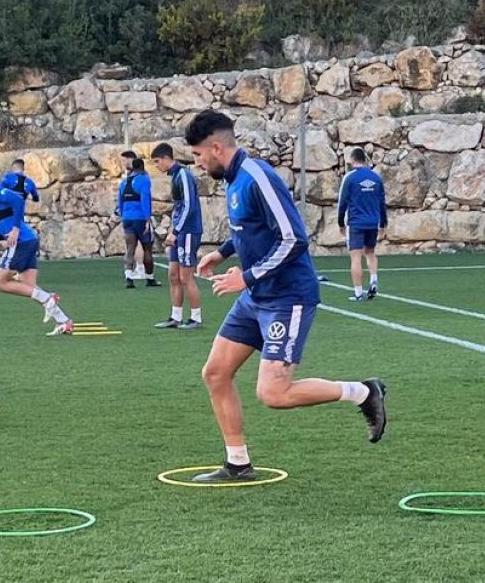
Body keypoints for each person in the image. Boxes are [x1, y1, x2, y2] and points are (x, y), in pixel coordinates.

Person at [185, 110, 386, 482]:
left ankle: (362, 391)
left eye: (198, 155)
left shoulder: (256, 177)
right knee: (215, 373)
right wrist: (223, 252)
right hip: (257, 296)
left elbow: (294, 239)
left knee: (273, 394)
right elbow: (252, 227)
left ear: (216, 147)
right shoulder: (232, 180)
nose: (197, 164)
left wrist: (245, 277)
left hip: (287, 297)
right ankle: (238, 463)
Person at [0, 166, 73, 336]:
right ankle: (64, 321)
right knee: (30, 287)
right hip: (28, 241)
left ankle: (47, 298)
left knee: (0, 282)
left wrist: (15, 229)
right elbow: (0, 232)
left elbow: (18, 201)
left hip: (21, 243)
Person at [150, 144, 203, 330]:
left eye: (157, 162)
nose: (157, 166)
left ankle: (196, 317)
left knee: (186, 275)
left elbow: (189, 206)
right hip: (180, 231)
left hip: (188, 231)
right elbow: (179, 207)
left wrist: (176, 231)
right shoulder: (174, 176)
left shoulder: (183, 175)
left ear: (166, 158)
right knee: (173, 274)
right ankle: (176, 316)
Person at [337, 148, 387, 302]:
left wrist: (340, 223)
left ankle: (358, 293)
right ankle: (373, 279)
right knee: (371, 252)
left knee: (356, 256)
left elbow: (343, 202)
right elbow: (381, 202)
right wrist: (383, 223)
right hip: (373, 222)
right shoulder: (376, 178)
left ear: (352, 160)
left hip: (356, 222)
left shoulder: (350, 178)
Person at [116, 156, 159, 289]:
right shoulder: (144, 180)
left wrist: (123, 215)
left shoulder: (124, 182)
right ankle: (150, 278)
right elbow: (145, 199)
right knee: (147, 248)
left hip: (127, 218)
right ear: (142, 167)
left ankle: (129, 277)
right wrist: (147, 218)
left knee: (130, 248)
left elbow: (120, 202)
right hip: (140, 218)